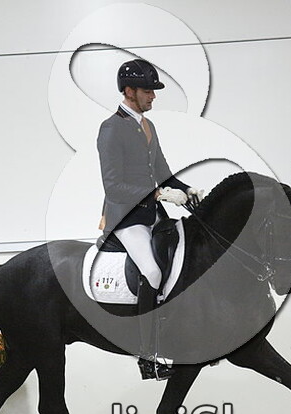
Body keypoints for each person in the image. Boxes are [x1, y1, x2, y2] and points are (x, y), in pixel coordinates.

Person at [96, 58, 201, 378]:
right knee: (153, 272)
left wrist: (186, 189)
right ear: (129, 91)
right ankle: (146, 357)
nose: (153, 96)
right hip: (126, 218)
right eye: (147, 91)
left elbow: (164, 173)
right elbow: (113, 186)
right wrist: (157, 194)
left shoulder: (147, 126)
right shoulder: (111, 128)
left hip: (153, 214)